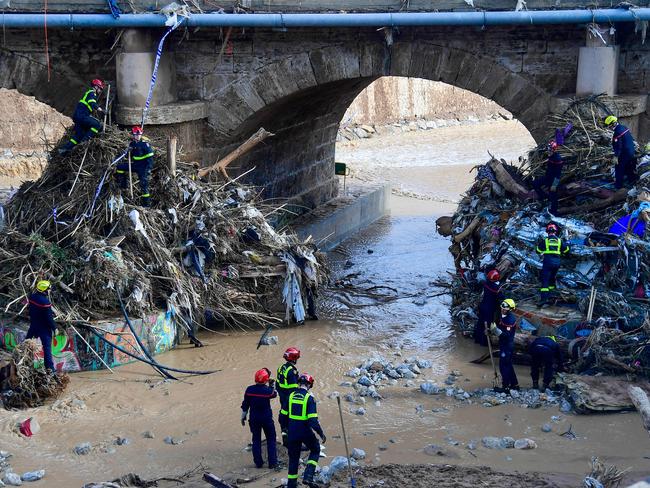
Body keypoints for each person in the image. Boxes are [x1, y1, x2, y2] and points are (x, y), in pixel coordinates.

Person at [286, 373, 326, 488]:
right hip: (304, 431)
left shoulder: (290, 396)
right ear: (309, 385)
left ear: (299, 383)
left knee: (293, 458)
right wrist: (321, 434)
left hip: (292, 432)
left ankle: (291, 485)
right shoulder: (309, 398)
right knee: (315, 449)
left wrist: (284, 431)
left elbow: (282, 415)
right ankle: (308, 477)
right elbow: (313, 421)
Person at [241, 368, 279, 470]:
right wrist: (272, 385)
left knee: (256, 440)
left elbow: (245, 405)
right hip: (266, 419)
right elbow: (274, 393)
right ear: (266, 379)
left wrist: (243, 417)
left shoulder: (249, 390)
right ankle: (273, 463)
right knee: (271, 440)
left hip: (254, 419)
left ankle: (258, 463)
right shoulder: (268, 391)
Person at [59, 79, 105, 155]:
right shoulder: (91, 93)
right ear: (96, 87)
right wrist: (101, 110)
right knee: (97, 125)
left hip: (78, 117)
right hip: (82, 116)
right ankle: (84, 143)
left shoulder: (88, 93)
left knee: (79, 135)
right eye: (100, 88)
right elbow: (92, 103)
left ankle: (63, 150)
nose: (100, 90)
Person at [116, 126, 155, 207]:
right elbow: (128, 155)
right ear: (133, 135)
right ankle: (123, 186)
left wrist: (148, 169)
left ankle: (146, 205)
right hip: (135, 165)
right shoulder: (132, 143)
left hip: (143, 167)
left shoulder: (145, 144)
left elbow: (150, 157)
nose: (137, 136)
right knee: (120, 167)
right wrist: (128, 151)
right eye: (135, 135)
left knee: (144, 185)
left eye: (139, 134)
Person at [536, 222, 570, 306]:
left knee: (545, 281)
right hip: (557, 263)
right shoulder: (559, 241)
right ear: (555, 231)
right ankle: (551, 297)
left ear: (547, 231)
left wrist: (543, 251)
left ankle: (543, 299)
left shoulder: (545, 241)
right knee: (552, 279)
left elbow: (538, 251)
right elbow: (566, 251)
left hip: (548, 262)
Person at [26, 280, 57, 373]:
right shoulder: (45, 302)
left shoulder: (32, 297)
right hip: (44, 328)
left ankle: (25, 365)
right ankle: (50, 369)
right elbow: (49, 318)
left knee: (27, 345)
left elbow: (29, 309)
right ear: (45, 290)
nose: (49, 290)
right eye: (48, 289)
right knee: (47, 348)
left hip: (33, 326)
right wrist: (54, 328)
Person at [490, 299, 519, 393]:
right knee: (509, 365)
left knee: (503, 366)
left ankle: (505, 387)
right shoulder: (503, 315)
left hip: (507, 345)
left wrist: (496, 331)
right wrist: (491, 330)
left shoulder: (510, 320)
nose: (503, 310)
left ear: (510, 310)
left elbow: (506, 335)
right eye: (502, 308)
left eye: (505, 309)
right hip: (504, 344)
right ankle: (515, 384)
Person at [604, 115, 638, 189]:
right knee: (629, 167)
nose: (608, 128)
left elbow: (618, 146)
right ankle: (632, 181)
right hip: (631, 151)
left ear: (613, 124)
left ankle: (618, 186)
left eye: (609, 126)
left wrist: (616, 156)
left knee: (619, 168)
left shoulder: (617, 132)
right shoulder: (624, 127)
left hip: (624, 153)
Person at [532, 140, 564, 215]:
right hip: (548, 177)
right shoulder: (551, 156)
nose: (548, 151)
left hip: (555, 180)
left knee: (553, 194)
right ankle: (544, 197)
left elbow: (558, 173)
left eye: (549, 150)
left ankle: (554, 211)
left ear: (553, 150)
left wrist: (554, 184)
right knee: (535, 184)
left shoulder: (557, 159)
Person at [276, 347, 300, 447]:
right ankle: (293, 443)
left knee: (283, 418)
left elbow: (277, 385)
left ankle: (286, 441)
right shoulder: (292, 371)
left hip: (282, 398)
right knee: (293, 420)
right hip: (289, 399)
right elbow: (294, 389)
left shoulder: (281, 367)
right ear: (294, 358)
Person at [473, 269, 504, 346]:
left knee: (480, 323)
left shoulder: (486, 284)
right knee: (487, 326)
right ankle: (484, 343)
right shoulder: (496, 288)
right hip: (489, 309)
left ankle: (477, 339)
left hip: (482, 306)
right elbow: (502, 297)